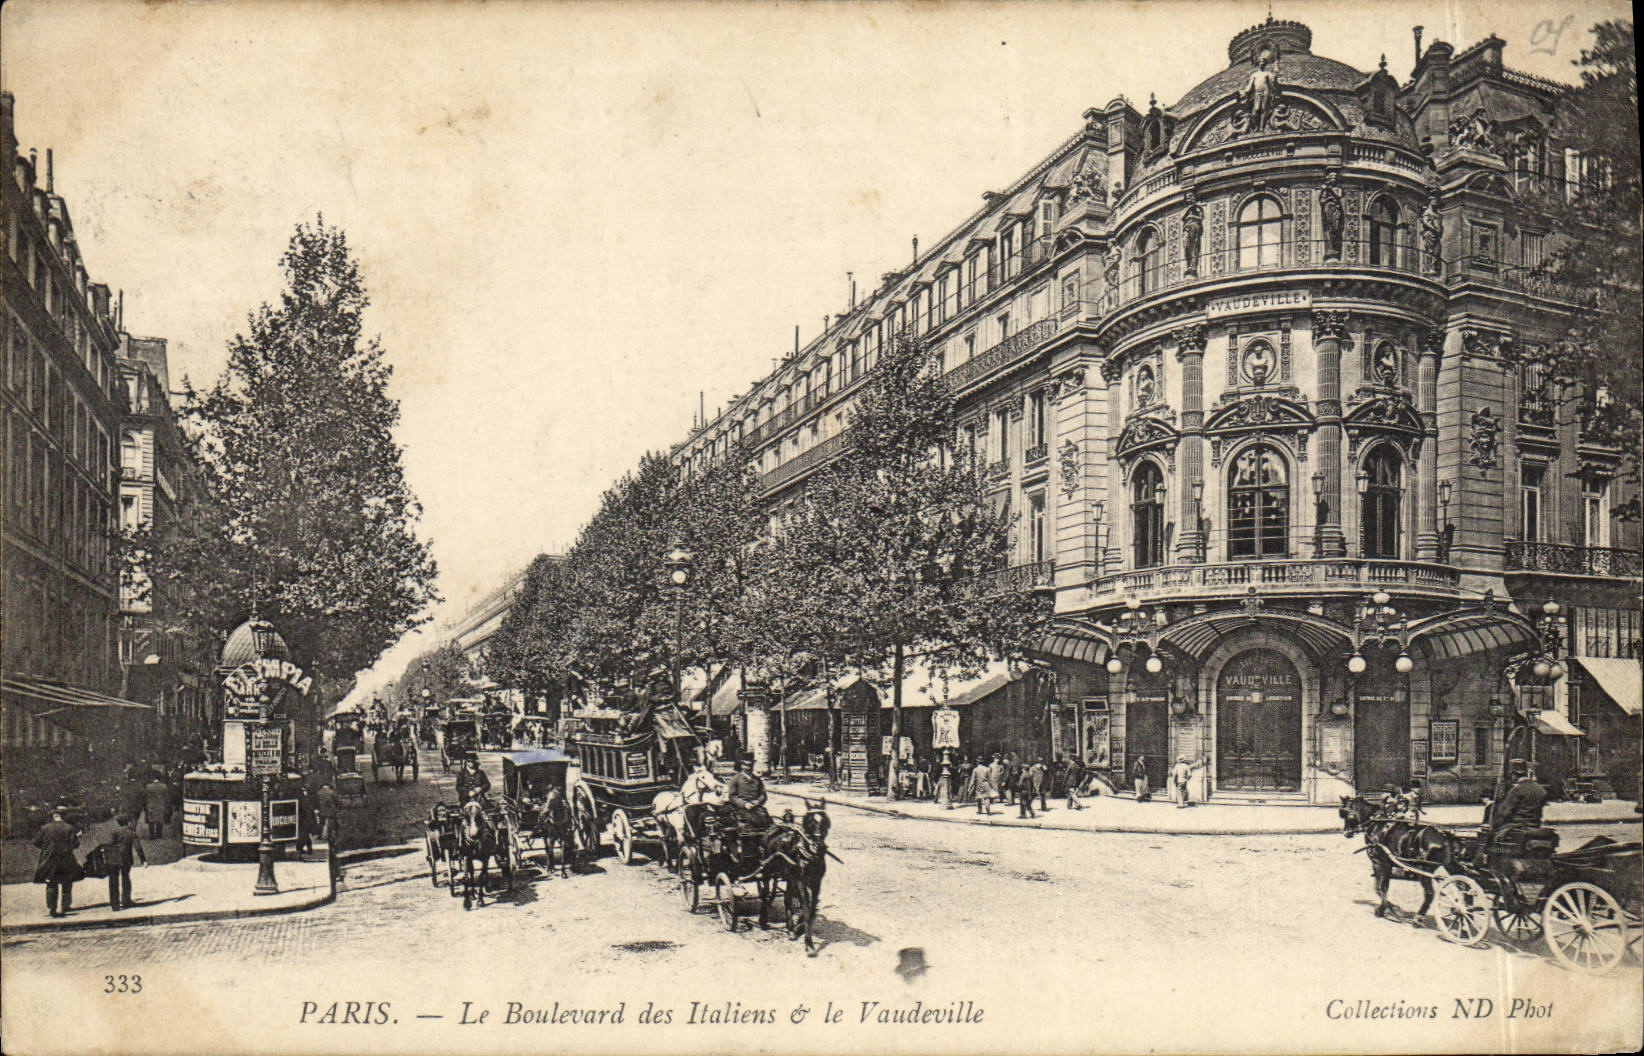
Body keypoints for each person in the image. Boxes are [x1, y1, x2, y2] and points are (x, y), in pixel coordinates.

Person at [33, 809, 82, 917]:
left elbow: (36, 842)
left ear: (54, 816)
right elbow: (75, 845)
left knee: (51, 883)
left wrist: (47, 848)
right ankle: (65, 906)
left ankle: (52, 908)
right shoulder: (69, 828)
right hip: (66, 859)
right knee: (67, 882)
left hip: (49, 859)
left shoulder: (45, 828)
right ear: (64, 816)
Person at [1493, 760, 1547, 847]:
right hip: (1535, 827)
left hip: (1517, 828)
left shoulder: (1516, 790)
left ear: (1514, 775)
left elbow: (1504, 813)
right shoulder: (1540, 789)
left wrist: (1494, 825)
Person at [104, 813, 147, 911]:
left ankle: (114, 904)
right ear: (127, 822)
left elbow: (110, 845)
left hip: (115, 857)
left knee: (113, 880)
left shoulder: (114, 831)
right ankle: (126, 901)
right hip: (126, 858)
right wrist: (143, 860)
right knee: (126, 878)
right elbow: (138, 847)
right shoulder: (131, 832)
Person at [721, 758, 769, 829]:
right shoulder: (736, 778)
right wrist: (744, 804)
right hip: (741, 808)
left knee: (767, 821)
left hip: (756, 807)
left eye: (750, 765)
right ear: (742, 766)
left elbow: (763, 795)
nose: (748, 768)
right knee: (751, 823)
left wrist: (758, 802)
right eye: (746, 765)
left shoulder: (757, 779)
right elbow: (732, 796)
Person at [144, 775, 170, 839]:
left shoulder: (148, 787)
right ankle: (159, 834)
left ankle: (152, 834)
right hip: (161, 805)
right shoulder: (164, 786)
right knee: (160, 819)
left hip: (151, 805)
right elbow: (166, 797)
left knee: (151, 820)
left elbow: (146, 797)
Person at [315, 782, 340, 846]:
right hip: (331, 810)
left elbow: (316, 802)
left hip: (322, 810)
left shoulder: (319, 793)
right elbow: (336, 800)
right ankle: (336, 833)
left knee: (321, 823)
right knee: (335, 821)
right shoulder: (331, 792)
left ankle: (319, 835)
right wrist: (337, 807)